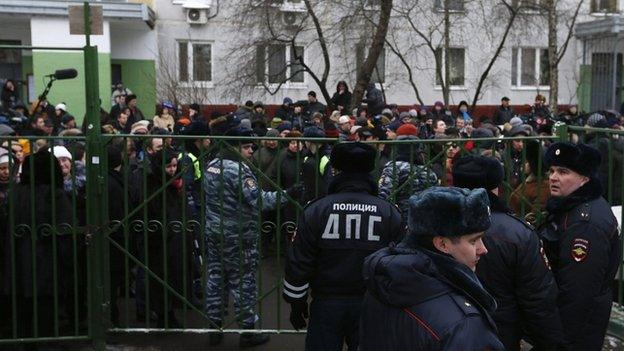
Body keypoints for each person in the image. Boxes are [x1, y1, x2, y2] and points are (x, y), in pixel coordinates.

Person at [283, 142, 403, 351]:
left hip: (326, 304)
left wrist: (296, 302)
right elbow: (401, 263)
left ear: (335, 170)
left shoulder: (317, 209)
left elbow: (300, 260)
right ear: (370, 170)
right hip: (372, 304)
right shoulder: (389, 212)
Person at [359, 187, 504, 351]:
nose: (483, 249)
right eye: (473, 241)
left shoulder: (382, 284)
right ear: (442, 244)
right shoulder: (464, 323)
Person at [452, 155, 563, 351]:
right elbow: (538, 298)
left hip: (447, 328)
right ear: (496, 186)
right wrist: (549, 342)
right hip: (499, 334)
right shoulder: (518, 233)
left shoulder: (435, 225)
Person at [203, 127, 301, 347]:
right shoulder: (238, 171)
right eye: (246, 147)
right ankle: (247, 331)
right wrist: (288, 194)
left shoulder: (211, 166)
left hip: (214, 232)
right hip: (238, 236)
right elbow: (260, 201)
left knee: (216, 279)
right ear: (234, 147)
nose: (250, 151)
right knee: (243, 283)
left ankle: (214, 327)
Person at [539, 142, 622, 350]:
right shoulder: (570, 207)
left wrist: (560, 341)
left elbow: (579, 293)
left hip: (575, 331)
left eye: (563, 172)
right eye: (552, 170)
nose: (553, 177)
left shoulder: (585, 225)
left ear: (584, 179)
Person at [378, 123, 438, 227]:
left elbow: (384, 195)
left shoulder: (393, 167)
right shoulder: (428, 171)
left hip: (400, 219)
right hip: (425, 220)